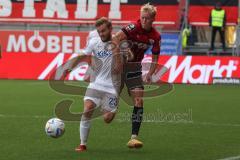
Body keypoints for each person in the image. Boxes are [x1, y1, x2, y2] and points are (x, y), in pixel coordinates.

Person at [112, 3, 161, 148]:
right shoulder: (132, 28)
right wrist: (121, 53)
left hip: (135, 69)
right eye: (142, 17)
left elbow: (155, 57)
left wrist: (150, 74)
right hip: (120, 66)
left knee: (139, 100)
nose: (144, 21)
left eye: (147, 18)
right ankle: (110, 102)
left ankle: (133, 137)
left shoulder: (155, 36)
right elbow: (115, 39)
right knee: (109, 115)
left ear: (153, 19)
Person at [69, 17, 121, 152]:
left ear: (110, 29)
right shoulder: (94, 42)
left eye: (103, 31)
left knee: (107, 119)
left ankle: (114, 103)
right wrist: (68, 69)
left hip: (112, 86)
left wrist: (116, 49)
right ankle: (82, 144)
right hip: (96, 83)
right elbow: (83, 55)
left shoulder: (119, 42)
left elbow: (119, 68)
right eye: (99, 31)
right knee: (87, 109)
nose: (101, 34)